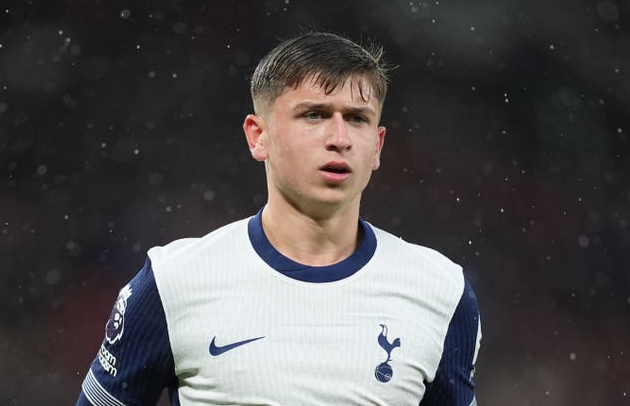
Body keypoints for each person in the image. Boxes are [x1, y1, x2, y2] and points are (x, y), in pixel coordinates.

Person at [76, 31, 481, 406]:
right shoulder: (173, 282)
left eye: (357, 118)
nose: (339, 138)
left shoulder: (441, 292)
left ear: (376, 146)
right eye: (314, 115)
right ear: (258, 136)